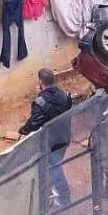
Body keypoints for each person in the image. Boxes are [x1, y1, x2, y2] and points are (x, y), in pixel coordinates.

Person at [19, 68, 72, 207]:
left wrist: (23, 130)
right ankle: (51, 192)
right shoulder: (65, 95)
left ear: (40, 82)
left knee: (55, 169)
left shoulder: (40, 101)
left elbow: (35, 123)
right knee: (54, 166)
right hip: (65, 136)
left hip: (50, 141)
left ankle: (65, 198)